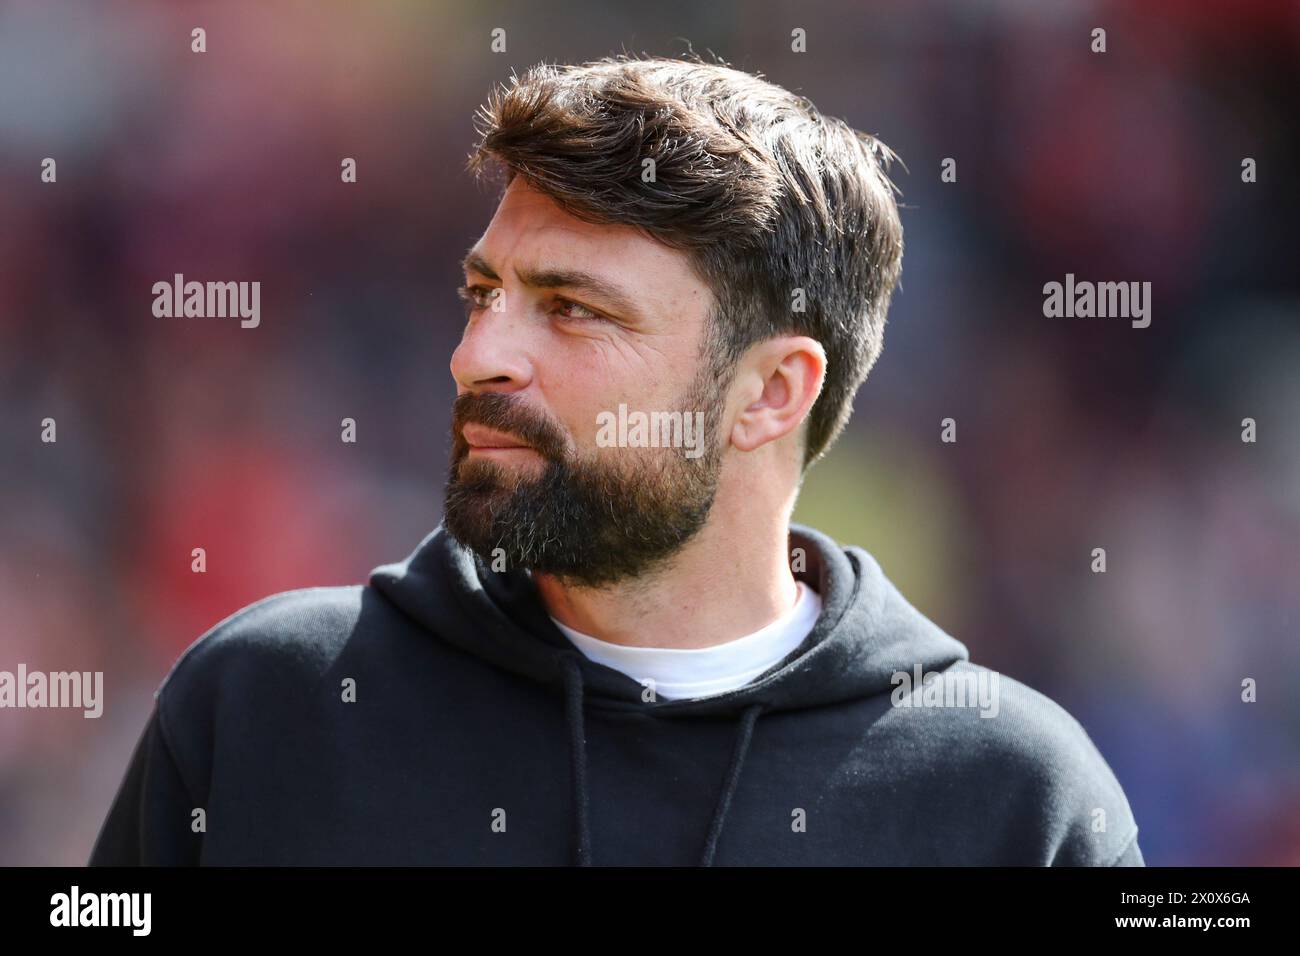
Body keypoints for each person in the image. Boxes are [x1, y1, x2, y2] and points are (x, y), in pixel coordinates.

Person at [89, 54, 1143, 866]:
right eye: (482, 294)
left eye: (574, 311)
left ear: (772, 392)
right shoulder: (265, 703)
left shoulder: (1013, 796)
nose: (478, 355)